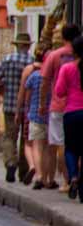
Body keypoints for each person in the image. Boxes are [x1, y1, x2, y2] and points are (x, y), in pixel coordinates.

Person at [39, 23, 81, 192]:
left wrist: (42, 104)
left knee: (61, 144)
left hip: (61, 107)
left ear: (63, 37)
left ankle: (66, 180)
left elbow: (46, 81)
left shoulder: (55, 56)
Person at [0, 33, 34, 183]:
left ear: (17, 45)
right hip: (28, 107)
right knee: (26, 139)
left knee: (10, 136)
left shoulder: (7, 60)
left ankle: (11, 163)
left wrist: (7, 82)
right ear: (28, 46)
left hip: (10, 105)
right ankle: (24, 171)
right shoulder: (32, 62)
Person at [53, 36, 83, 202]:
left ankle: (72, 176)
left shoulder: (67, 68)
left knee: (71, 148)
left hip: (71, 113)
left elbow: (59, 91)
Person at [21, 48, 53, 189]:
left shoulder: (34, 76)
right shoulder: (53, 77)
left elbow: (27, 98)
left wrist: (25, 110)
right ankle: (46, 178)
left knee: (36, 145)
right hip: (50, 115)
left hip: (35, 114)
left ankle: (38, 175)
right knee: (46, 148)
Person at [16, 46, 46, 186]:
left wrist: (19, 111)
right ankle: (45, 176)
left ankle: (33, 167)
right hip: (48, 113)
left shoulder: (30, 71)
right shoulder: (49, 72)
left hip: (32, 113)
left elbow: (24, 94)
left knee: (29, 144)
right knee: (44, 146)